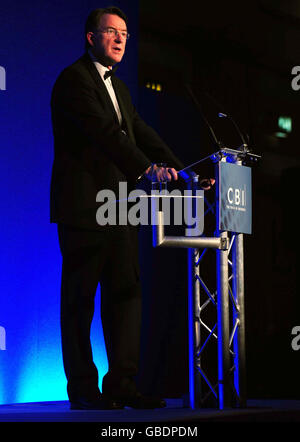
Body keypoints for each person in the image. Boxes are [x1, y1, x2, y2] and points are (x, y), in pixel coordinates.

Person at [50, 6, 204, 410]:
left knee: (126, 295)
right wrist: (148, 168)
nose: (120, 39)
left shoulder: (120, 88)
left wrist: (184, 172)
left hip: (121, 206)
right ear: (91, 37)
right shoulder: (73, 81)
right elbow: (106, 135)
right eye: (112, 32)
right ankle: (83, 390)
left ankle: (122, 384)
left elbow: (140, 132)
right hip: (84, 206)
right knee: (80, 301)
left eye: (125, 34)